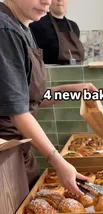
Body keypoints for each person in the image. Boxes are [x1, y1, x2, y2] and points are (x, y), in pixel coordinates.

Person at [0, 0, 96, 194]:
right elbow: (18, 112)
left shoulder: (23, 26)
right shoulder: (5, 31)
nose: (48, 1)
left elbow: (30, 97)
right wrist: (57, 160)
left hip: (19, 151)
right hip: (5, 158)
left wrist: (71, 90)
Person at [30, 0, 84, 65]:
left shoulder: (74, 26)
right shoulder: (37, 26)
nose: (60, 0)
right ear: (49, 1)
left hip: (76, 73)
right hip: (50, 74)